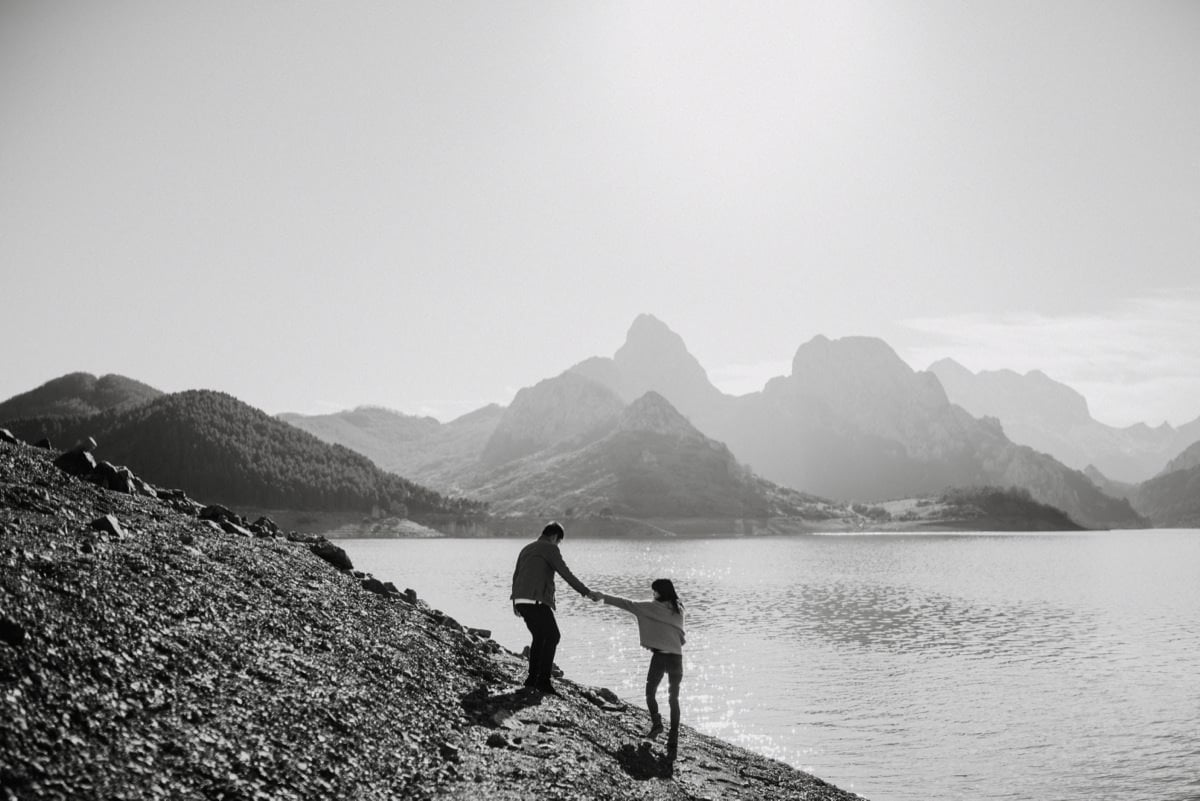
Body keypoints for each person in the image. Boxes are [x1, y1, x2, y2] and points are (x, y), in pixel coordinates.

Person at [591, 578, 686, 756]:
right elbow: (680, 635)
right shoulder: (679, 610)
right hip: (676, 658)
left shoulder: (651, 607)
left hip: (660, 657)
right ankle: (673, 738)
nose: (653, 595)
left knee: (650, 692)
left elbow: (627, 603)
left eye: (654, 591)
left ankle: (657, 724)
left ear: (660, 592)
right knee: (674, 699)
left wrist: (603, 596)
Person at [510, 521, 593, 695]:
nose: (558, 545)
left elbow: (516, 574)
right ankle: (543, 682)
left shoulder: (527, 548)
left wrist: (515, 602)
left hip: (521, 600)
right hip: (535, 599)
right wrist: (586, 592)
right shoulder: (550, 549)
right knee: (553, 636)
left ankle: (532, 679)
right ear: (555, 537)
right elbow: (565, 573)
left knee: (540, 637)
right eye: (559, 541)